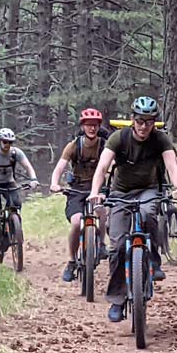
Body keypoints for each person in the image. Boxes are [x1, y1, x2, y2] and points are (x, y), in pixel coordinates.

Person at [88, 96, 177, 323]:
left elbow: (171, 165)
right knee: (117, 247)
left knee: (148, 214)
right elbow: (103, 167)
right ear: (132, 119)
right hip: (121, 192)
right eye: (140, 121)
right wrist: (95, 192)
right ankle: (117, 299)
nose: (144, 126)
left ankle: (153, 260)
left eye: (149, 122)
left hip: (148, 189)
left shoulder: (160, 139)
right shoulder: (118, 138)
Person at [51, 108, 110, 282]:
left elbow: (113, 165)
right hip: (76, 189)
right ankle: (71, 261)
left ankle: (100, 244)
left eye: (95, 125)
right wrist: (55, 183)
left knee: (103, 213)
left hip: (98, 189)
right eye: (88, 125)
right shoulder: (74, 146)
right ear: (83, 126)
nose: (92, 128)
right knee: (76, 222)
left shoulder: (105, 146)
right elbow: (59, 167)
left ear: (99, 126)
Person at [0, 128, 39, 257]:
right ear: (0, 141)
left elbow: (28, 166)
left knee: (16, 203)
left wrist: (33, 179)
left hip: (9, 183)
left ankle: (14, 229)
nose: (7, 145)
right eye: (5, 142)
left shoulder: (16, 153)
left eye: (10, 142)